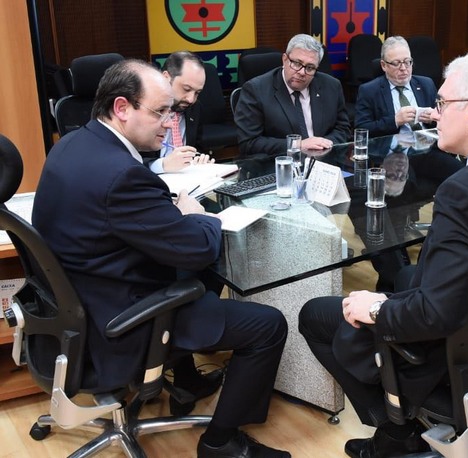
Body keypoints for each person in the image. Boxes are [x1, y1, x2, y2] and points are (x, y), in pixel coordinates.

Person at [32, 59, 290, 458]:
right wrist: (198, 216)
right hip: (118, 323)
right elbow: (200, 244)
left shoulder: (73, 144)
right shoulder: (121, 175)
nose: (170, 123)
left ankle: (185, 380)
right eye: (160, 112)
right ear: (121, 108)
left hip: (82, 305)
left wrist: (168, 212)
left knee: (201, 281)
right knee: (267, 325)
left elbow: (123, 218)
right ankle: (222, 443)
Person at [298, 50, 468, 457]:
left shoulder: (463, 191)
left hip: (451, 347)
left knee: (317, 314)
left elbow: (435, 313)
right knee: (405, 277)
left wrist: (374, 309)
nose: (436, 113)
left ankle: (396, 429)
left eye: (442, 104)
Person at [235, 33, 350, 158]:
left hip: (323, 162)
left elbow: (343, 129)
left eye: (310, 68)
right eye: (296, 63)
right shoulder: (256, 90)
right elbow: (248, 143)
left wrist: (322, 145)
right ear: (284, 59)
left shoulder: (331, 86)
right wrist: (297, 145)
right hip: (278, 165)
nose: (301, 72)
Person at [143, 50, 214, 174]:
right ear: (166, 78)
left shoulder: (195, 108)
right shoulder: (143, 109)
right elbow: (128, 160)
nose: (191, 99)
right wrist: (162, 165)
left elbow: (197, 148)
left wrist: (199, 159)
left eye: (197, 92)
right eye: (186, 89)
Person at [354, 36, 437, 137]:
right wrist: (395, 121)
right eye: (396, 63)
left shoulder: (426, 84)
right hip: (391, 150)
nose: (403, 68)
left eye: (407, 62)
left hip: (427, 145)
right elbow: (361, 129)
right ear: (384, 65)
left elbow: (447, 120)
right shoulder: (369, 91)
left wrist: (434, 118)